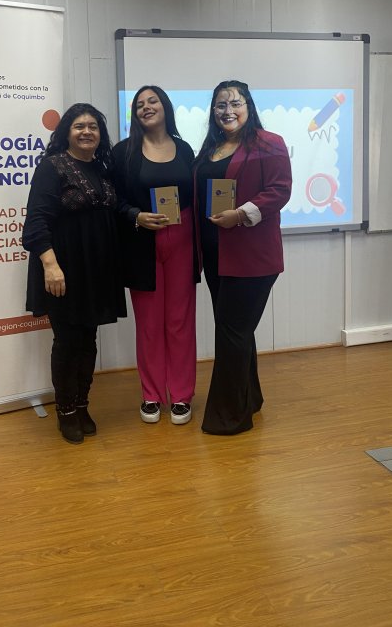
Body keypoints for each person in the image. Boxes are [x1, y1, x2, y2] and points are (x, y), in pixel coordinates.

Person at [22, 104, 126, 445]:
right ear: (66, 131)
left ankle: (82, 404)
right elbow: (36, 221)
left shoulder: (102, 167)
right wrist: (50, 266)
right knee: (67, 342)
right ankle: (65, 411)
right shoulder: (52, 166)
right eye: (79, 126)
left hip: (97, 269)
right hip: (63, 269)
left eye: (93, 126)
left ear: (101, 133)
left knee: (88, 339)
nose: (86, 131)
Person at [194, 80, 292, 435]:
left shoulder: (269, 143)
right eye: (221, 104)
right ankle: (249, 399)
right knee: (236, 330)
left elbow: (279, 190)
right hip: (216, 255)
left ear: (248, 106)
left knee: (232, 331)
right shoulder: (211, 148)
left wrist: (240, 214)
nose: (228, 110)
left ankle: (230, 417)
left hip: (252, 255)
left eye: (235, 103)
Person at [113, 85, 198, 425]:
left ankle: (181, 395)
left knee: (180, 321)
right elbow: (113, 199)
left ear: (165, 107)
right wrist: (136, 215)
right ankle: (151, 394)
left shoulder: (185, 148)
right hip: (141, 242)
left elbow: (197, 193)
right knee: (149, 323)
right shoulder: (123, 152)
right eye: (139, 104)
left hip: (182, 237)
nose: (146, 107)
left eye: (153, 101)